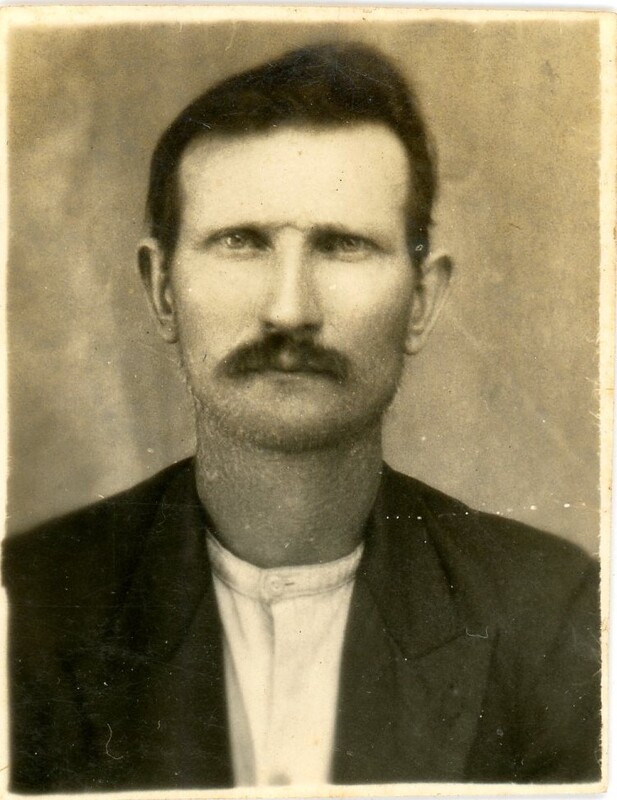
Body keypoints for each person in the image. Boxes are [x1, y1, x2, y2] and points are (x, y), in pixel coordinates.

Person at [3, 42, 601, 792]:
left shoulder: (548, 612)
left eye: (342, 245)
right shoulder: (29, 602)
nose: (289, 310)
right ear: (162, 291)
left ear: (420, 301)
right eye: (241, 242)